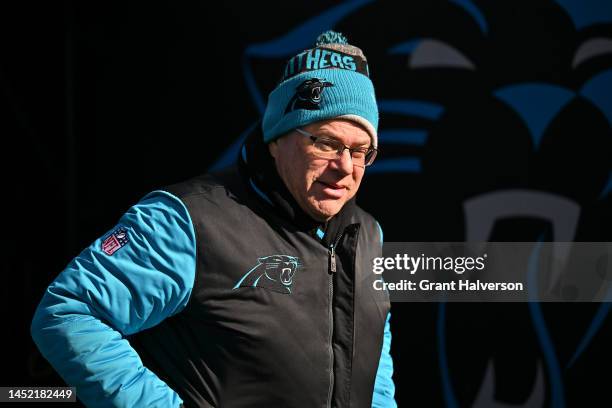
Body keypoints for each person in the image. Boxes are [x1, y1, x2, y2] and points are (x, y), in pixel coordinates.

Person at [31, 30, 396, 408]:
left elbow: (373, 362)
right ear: (277, 138)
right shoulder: (189, 219)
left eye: (361, 151)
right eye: (326, 143)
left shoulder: (368, 233)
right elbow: (69, 311)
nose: (344, 167)